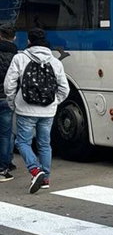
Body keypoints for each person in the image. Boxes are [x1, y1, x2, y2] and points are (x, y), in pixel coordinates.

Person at [3, 28, 69, 193]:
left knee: (22, 142)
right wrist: (54, 102)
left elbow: (9, 85)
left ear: (29, 41)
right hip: (48, 111)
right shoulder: (55, 62)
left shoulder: (20, 58)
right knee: (44, 144)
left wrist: (13, 103)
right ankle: (45, 178)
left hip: (25, 109)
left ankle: (35, 170)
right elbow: (64, 89)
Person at [0, 23, 18, 181]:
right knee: (7, 134)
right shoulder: (17, 57)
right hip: (7, 98)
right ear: (15, 38)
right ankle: (4, 166)